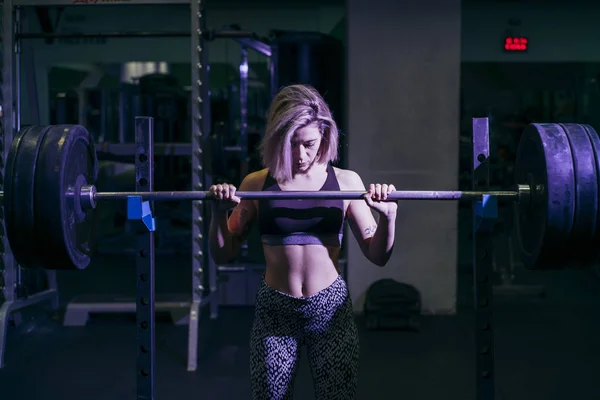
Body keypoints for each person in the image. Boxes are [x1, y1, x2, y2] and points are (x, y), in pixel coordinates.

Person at [208, 84, 398, 400]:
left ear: (324, 134)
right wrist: (216, 213)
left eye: (308, 144)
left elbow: (378, 255)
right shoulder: (257, 183)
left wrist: (389, 217)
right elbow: (222, 253)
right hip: (275, 310)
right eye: (291, 144)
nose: (300, 155)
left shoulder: (347, 182)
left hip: (330, 307)